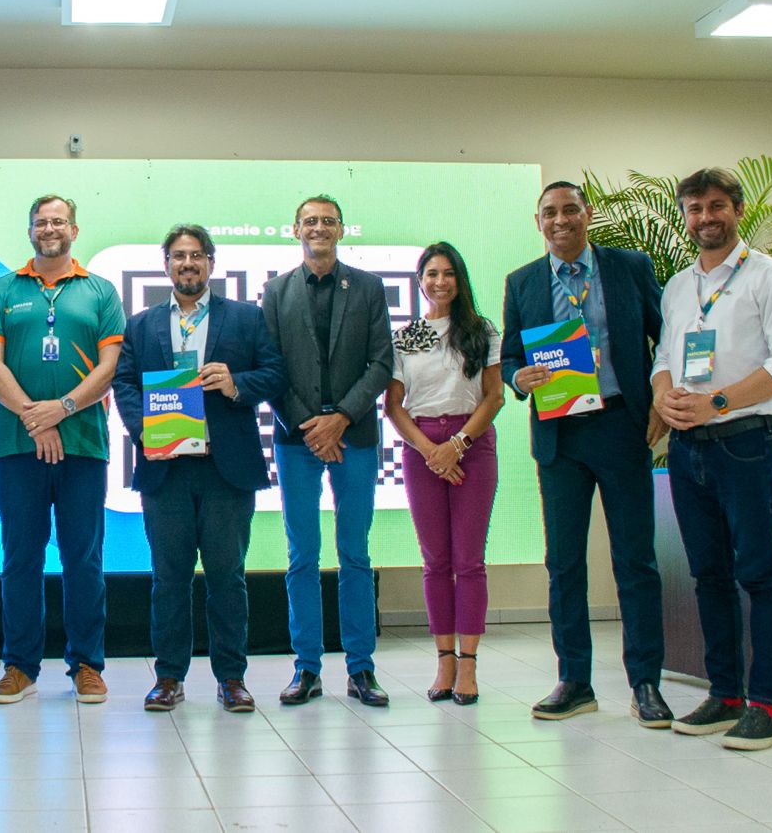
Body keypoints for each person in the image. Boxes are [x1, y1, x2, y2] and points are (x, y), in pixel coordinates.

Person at [501, 181, 673, 726]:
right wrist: (519, 379)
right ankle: (574, 680)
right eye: (549, 213)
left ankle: (646, 683)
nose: (560, 220)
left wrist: (662, 399)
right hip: (560, 436)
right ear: (538, 222)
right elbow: (510, 357)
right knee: (564, 564)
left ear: (587, 214)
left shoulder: (629, 267)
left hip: (622, 426)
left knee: (635, 561)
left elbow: (665, 339)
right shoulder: (523, 281)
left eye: (570, 210)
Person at [653, 167, 772, 751]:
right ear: (685, 216)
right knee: (709, 576)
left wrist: (717, 401)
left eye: (717, 206)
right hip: (687, 448)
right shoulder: (678, 287)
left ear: (738, 210)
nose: (706, 218)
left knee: (761, 574)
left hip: (746, 442)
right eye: (695, 209)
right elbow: (664, 357)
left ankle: (766, 705)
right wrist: (664, 396)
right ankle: (725, 695)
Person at [113, 225, 288, 714]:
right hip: (165, 468)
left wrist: (236, 383)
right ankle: (168, 677)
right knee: (168, 579)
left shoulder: (247, 318)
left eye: (196, 255)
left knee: (227, 578)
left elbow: (275, 374)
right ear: (165, 264)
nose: (187, 263)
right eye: (178, 256)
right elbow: (124, 383)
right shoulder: (141, 324)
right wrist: (145, 432)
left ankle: (231, 678)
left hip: (225, 470)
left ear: (211, 262)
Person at [0, 195, 124, 704]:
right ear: (30, 230)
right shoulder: (3, 289)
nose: (50, 228)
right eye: (41, 222)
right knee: (21, 557)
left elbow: (110, 368)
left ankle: (87, 664)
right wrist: (34, 418)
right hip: (20, 446)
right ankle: (20, 666)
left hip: (83, 445)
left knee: (84, 558)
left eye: (59, 221)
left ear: (74, 230)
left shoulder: (100, 291)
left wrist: (61, 409)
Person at [261, 195, 394, 707]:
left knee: (355, 553)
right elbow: (270, 366)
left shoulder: (369, 287)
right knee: (302, 556)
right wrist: (308, 424)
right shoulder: (276, 291)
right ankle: (307, 668)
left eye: (328, 221)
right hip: (296, 437)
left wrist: (340, 419)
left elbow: (381, 363)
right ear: (295, 229)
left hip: (353, 435)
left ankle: (361, 669)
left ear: (341, 229)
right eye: (310, 221)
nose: (319, 227)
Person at [383, 242, 504, 706]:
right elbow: (394, 405)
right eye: (431, 274)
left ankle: (469, 664)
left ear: (460, 279)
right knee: (435, 561)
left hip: (472, 444)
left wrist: (457, 446)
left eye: (448, 273)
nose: (440, 282)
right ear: (420, 281)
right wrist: (431, 450)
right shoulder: (407, 335)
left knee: (469, 561)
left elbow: (494, 397)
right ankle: (444, 661)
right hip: (422, 450)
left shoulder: (481, 330)